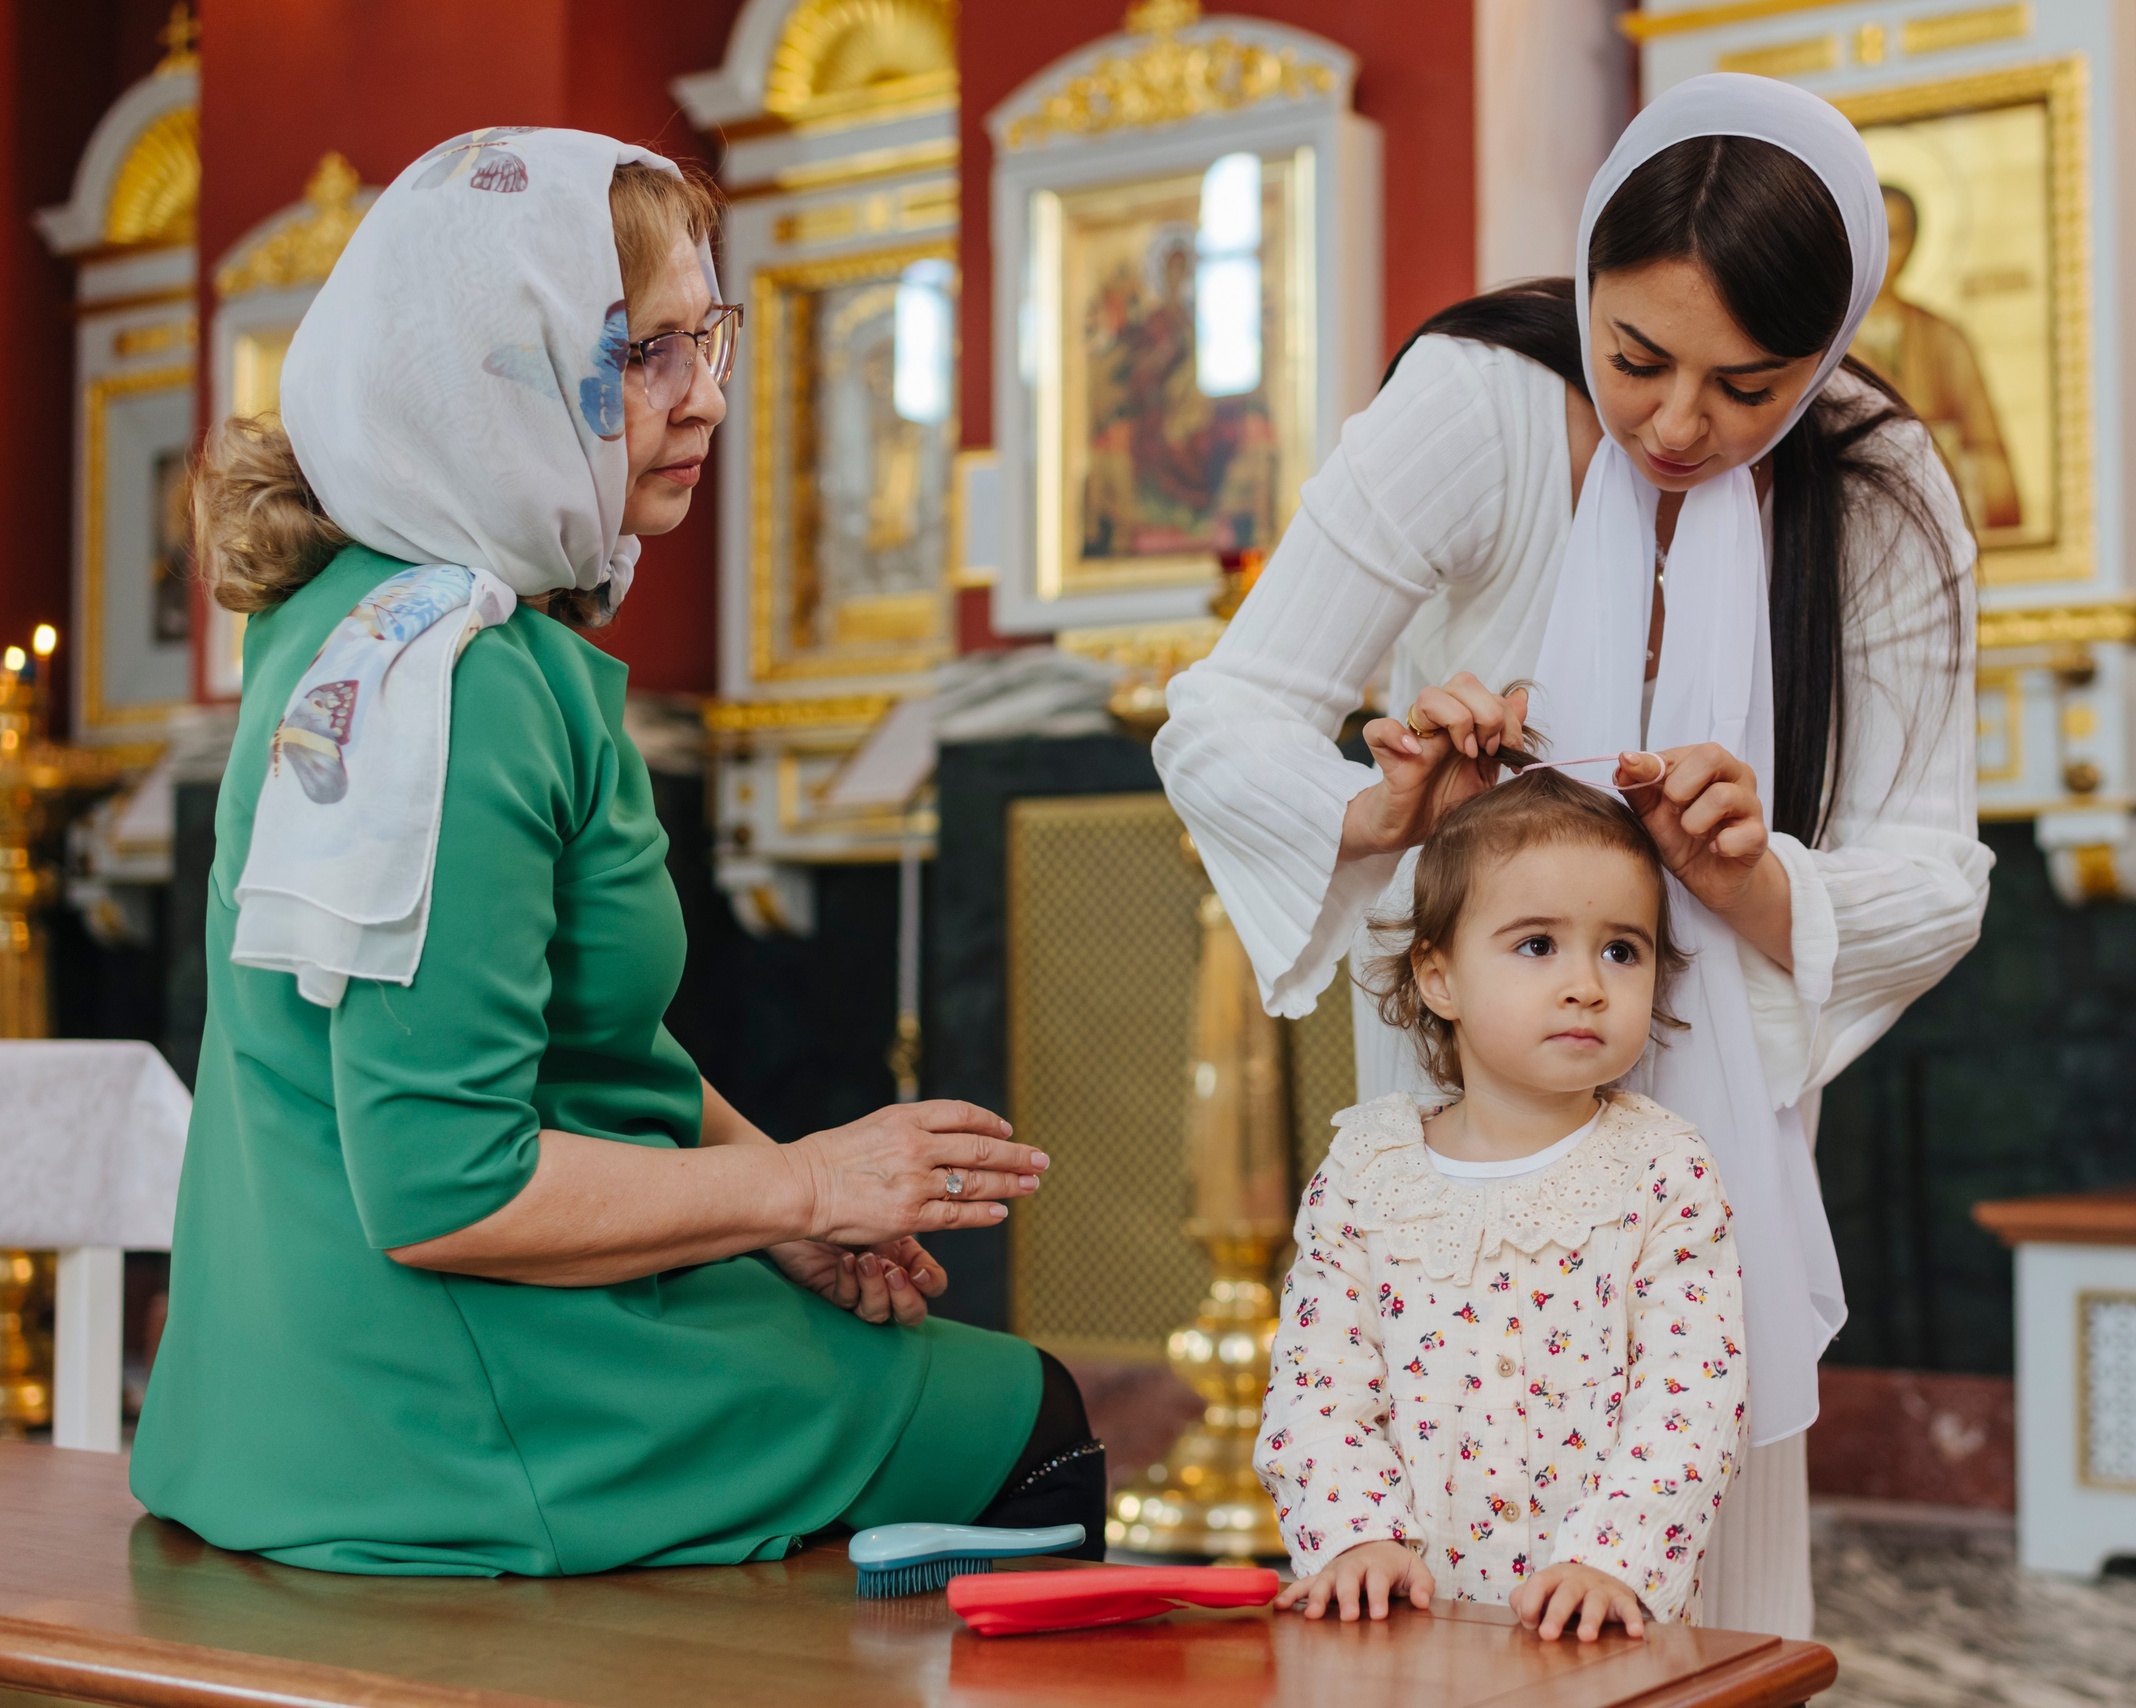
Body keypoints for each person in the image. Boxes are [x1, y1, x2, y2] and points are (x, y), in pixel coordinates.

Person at [133, 128, 1103, 1576]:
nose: (705, 393)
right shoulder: (456, 687)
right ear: (492, 368)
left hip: (289, 1377)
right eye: (645, 351)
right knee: (1031, 1418)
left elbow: (576, 1048)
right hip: (442, 1413)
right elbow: (448, 1186)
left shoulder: (366, 618)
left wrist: (772, 1208)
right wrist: (809, 1185)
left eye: (707, 339)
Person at [1157, 76, 1991, 1636]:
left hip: (1713, 1083)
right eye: (1637, 358)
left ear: (1825, 354)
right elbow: (1222, 713)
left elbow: (1937, 874)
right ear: (1590, 277)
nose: (1676, 427)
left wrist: (1748, 878)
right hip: (1469, 1061)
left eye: (1749, 387)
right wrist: (1387, 810)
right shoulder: (1474, 407)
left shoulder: (1879, 486)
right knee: (1428, 1464)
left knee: (1687, 1489)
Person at [1261, 766, 1746, 1640]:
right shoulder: (1368, 1171)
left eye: (1621, 950)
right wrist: (1357, 1538)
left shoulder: (1661, 1169)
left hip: (1598, 1630)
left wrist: (1612, 1561)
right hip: (1405, 1625)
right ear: (1438, 977)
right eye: (1537, 945)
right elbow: (1318, 1379)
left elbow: (1692, 1397)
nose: (1587, 984)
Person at [1849, 184, 2022, 531]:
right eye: (1872, 236)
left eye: (1893, 237)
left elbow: (1991, 460)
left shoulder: (1945, 339)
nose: (1881, 252)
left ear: (1914, 243)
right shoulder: (1826, 344)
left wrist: (1940, 459)